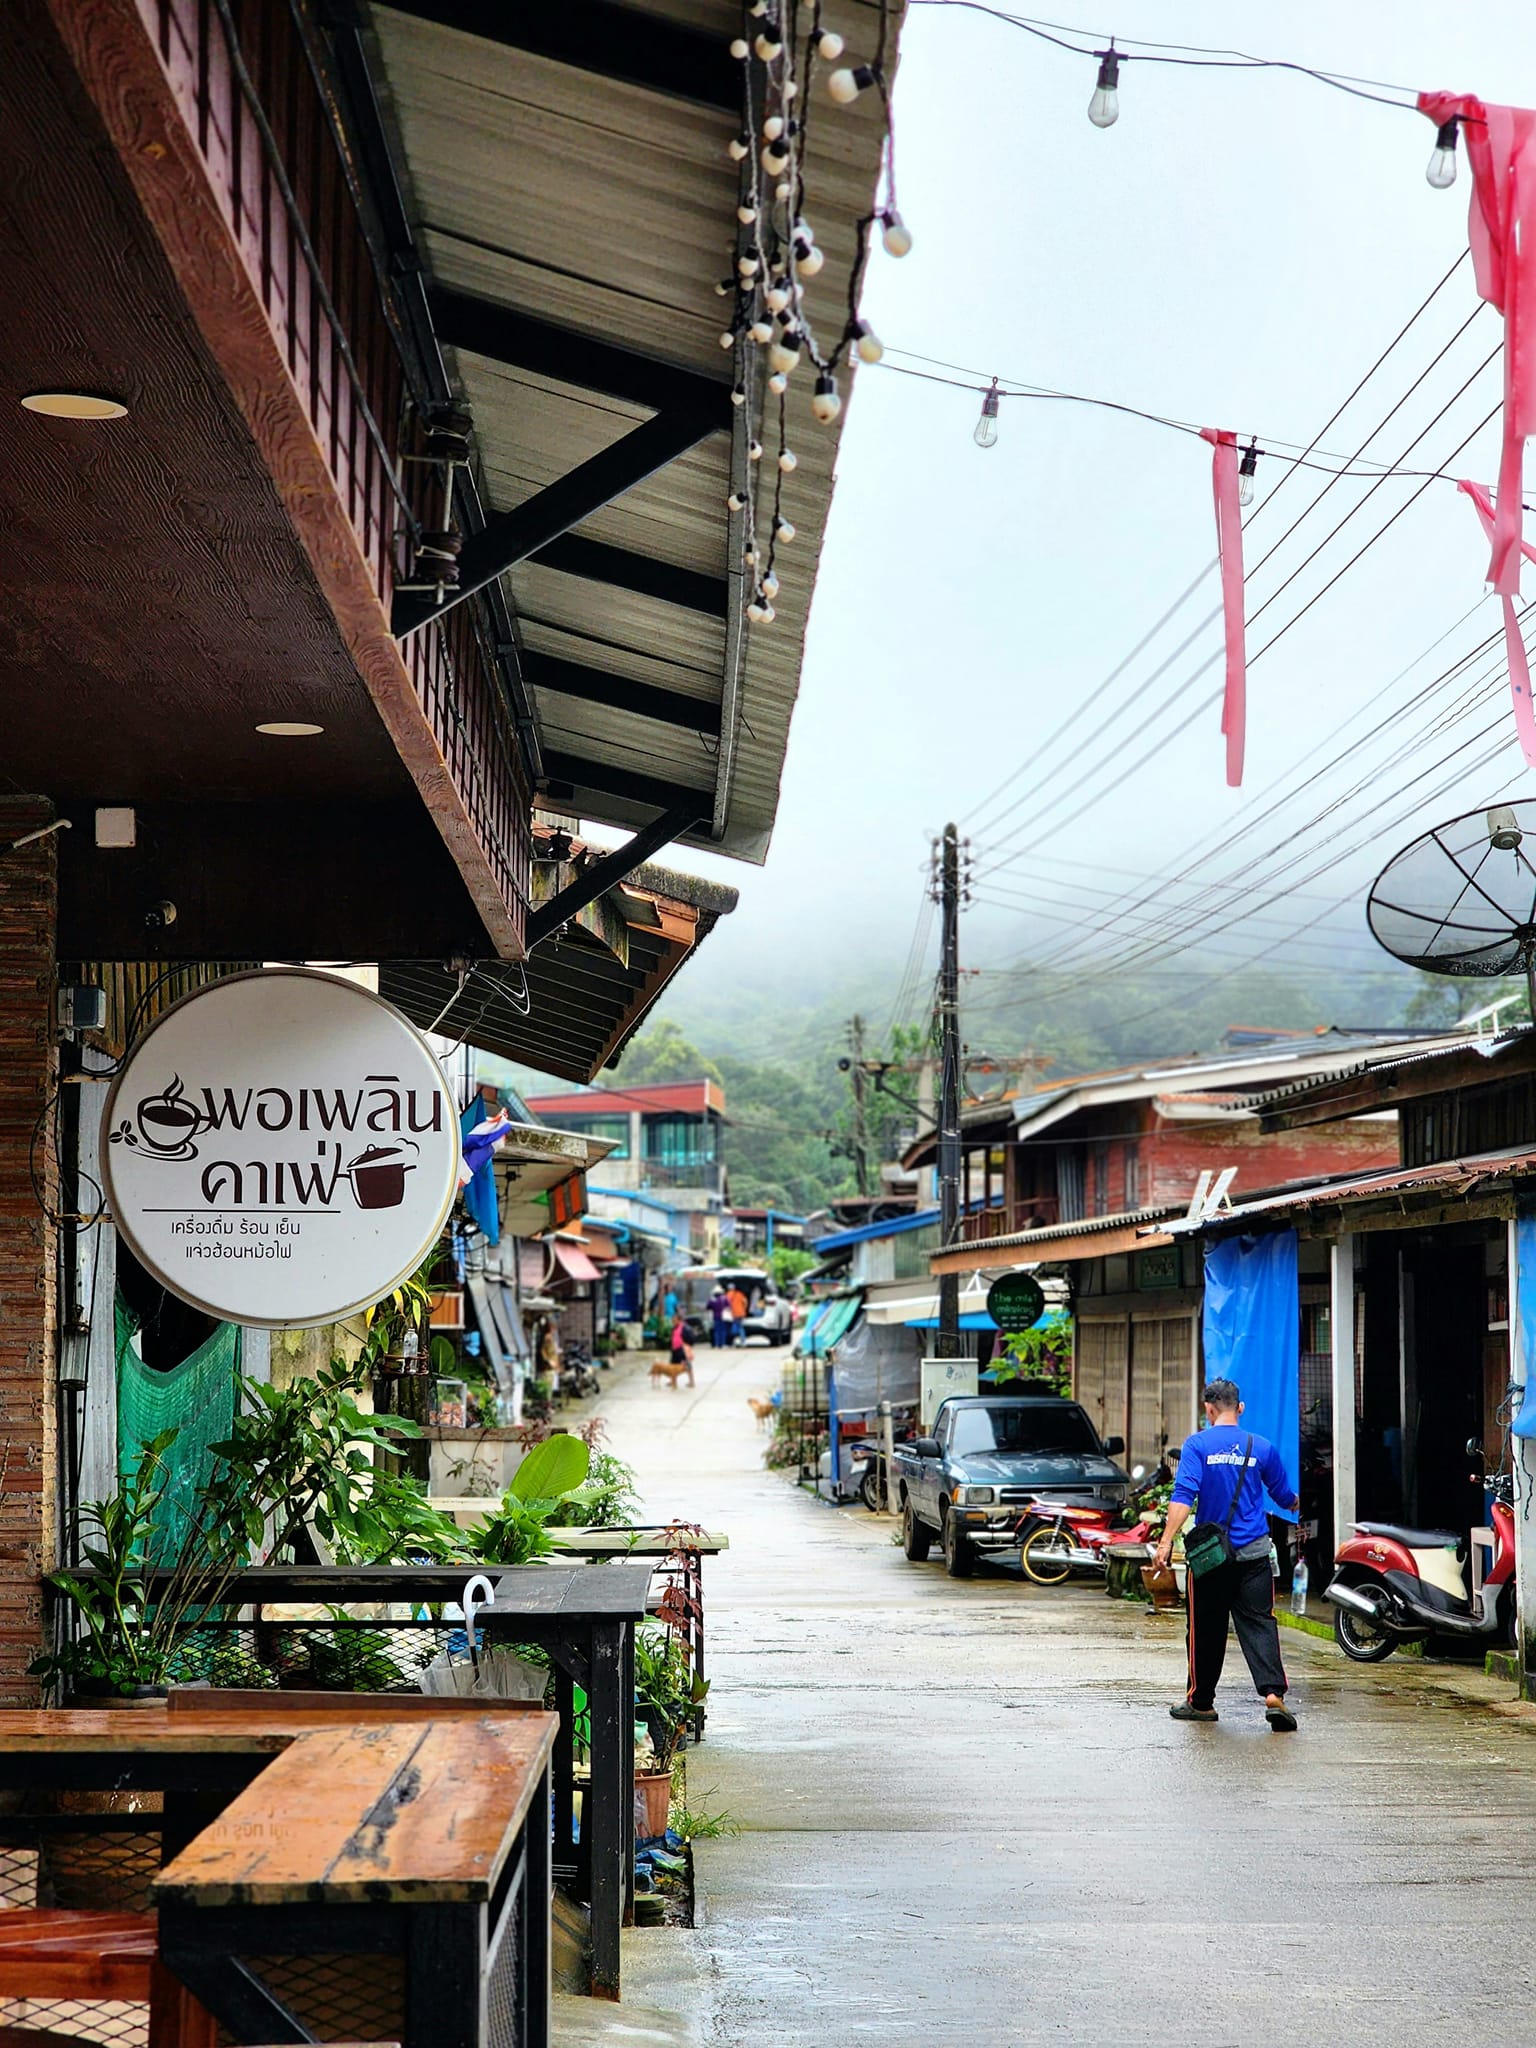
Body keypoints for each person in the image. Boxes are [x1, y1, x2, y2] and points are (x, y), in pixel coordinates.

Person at [1154, 1377, 1300, 1733]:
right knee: (1260, 1622)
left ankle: (1201, 1703)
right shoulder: (1260, 1446)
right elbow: (1283, 1494)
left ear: (1208, 1409)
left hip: (1211, 1559)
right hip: (1254, 1555)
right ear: (1240, 1407)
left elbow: (1184, 1495)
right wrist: (1296, 1504)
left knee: (1205, 1629)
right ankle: (1273, 1695)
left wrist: (1166, 1541)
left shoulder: (1197, 1445)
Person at [669, 1314, 695, 1387]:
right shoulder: (674, 1328)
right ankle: (672, 1381)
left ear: (679, 1320)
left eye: (674, 1320)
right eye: (672, 1320)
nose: (673, 1322)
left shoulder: (685, 1328)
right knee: (673, 1365)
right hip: (675, 1349)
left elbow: (691, 1339)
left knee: (687, 1365)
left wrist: (687, 1347)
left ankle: (691, 1382)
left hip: (682, 1349)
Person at [709, 1283, 730, 1349]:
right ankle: (723, 1344)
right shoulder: (724, 1298)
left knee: (717, 1331)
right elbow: (728, 1306)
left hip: (715, 1316)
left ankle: (717, 1344)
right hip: (723, 1317)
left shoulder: (712, 1299)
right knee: (723, 1330)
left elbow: (708, 1307)